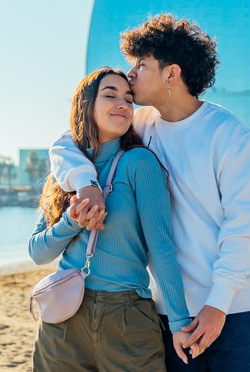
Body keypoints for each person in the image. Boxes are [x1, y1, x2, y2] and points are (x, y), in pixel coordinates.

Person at [50, 14, 250, 371]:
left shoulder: (229, 134)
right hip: (170, 315)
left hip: (237, 311)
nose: (131, 75)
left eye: (141, 65)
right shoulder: (140, 125)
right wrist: (86, 184)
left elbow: (243, 228)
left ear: (171, 74)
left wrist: (218, 305)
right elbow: (68, 141)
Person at [29, 67, 191, 371]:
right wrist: (72, 220)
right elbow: (38, 253)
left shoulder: (139, 162)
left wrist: (180, 321)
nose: (123, 104)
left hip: (127, 319)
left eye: (129, 99)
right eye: (110, 95)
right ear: (86, 105)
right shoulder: (66, 173)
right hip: (64, 320)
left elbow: (162, 246)